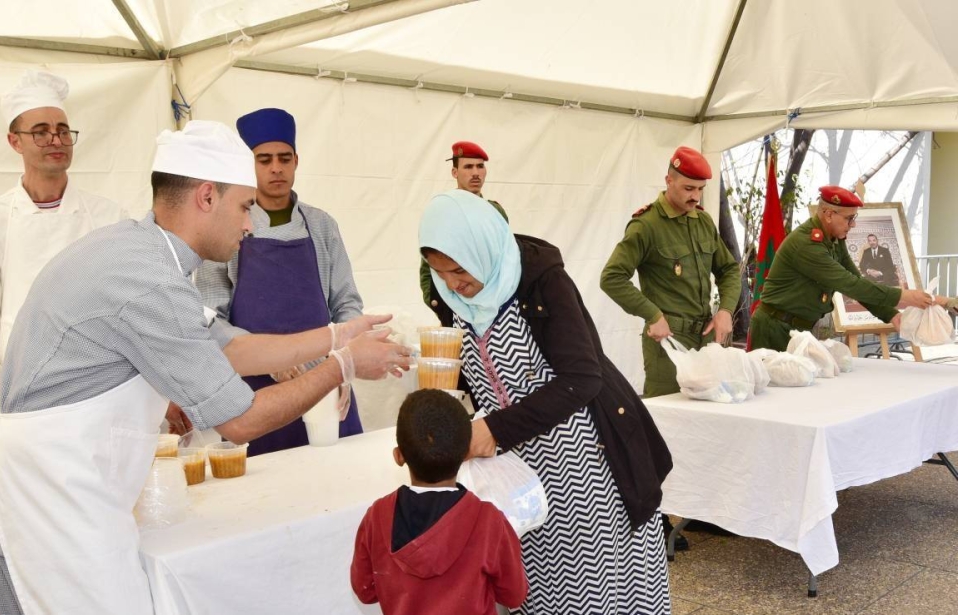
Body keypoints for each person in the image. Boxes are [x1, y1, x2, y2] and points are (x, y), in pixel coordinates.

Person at [0, 120, 412, 615]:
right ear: (205, 197)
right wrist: (341, 367)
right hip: (49, 487)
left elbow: (230, 348)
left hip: (51, 474)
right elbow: (240, 420)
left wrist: (335, 336)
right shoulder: (148, 278)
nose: (249, 225)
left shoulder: (136, 249)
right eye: (244, 207)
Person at [420, 190, 673, 614]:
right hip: (518, 472)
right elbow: (480, 375)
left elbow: (582, 378)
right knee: (539, 587)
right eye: (439, 272)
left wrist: (494, 430)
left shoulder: (540, 280)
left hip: (584, 467)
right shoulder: (457, 303)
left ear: (482, 249)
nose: (452, 283)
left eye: (459, 269)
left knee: (595, 588)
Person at [196, 108, 365, 455]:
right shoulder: (227, 227)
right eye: (264, 159)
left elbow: (347, 304)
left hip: (325, 385)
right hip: (257, 394)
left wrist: (342, 364)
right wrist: (270, 358)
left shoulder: (321, 226)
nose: (276, 168)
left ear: (296, 161)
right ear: (248, 165)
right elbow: (211, 318)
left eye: (284, 158)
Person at [0, 70, 128, 416]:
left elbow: (133, 309)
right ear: (14, 141)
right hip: (23, 395)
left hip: (102, 391)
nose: (56, 140)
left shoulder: (111, 218)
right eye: (41, 132)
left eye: (63, 130)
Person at [350, 389, 527, 615]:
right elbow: (514, 595)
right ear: (466, 453)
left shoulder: (377, 517)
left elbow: (365, 591)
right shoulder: (489, 521)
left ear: (398, 456)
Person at [600, 146, 740, 399]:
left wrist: (726, 310)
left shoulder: (703, 221)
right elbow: (611, 277)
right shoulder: (647, 225)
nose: (696, 196)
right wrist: (652, 315)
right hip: (668, 343)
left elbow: (729, 269)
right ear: (669, 180)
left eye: (700, 189)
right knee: (668, 422)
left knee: (709, 419)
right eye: (689, 188)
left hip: (705, 338)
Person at [747, 186, 946, 352]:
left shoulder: (833, 239)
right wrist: (905, 296)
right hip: (774, 329)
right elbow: (851, 285)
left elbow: (857, 279)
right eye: (849, 218)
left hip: (798, 328)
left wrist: (891, 314)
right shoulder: (807, 245)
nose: (853, 224)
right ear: (828, 214)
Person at [420, 141, 509, 309]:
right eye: (468, 167)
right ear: (455, 172)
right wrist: (436, 301)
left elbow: (505, 258)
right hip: (453, 300)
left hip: (491, 303)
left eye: (480, 166)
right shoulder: (443, 210)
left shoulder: (495, 212)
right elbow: (429, 263)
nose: (475, 173)